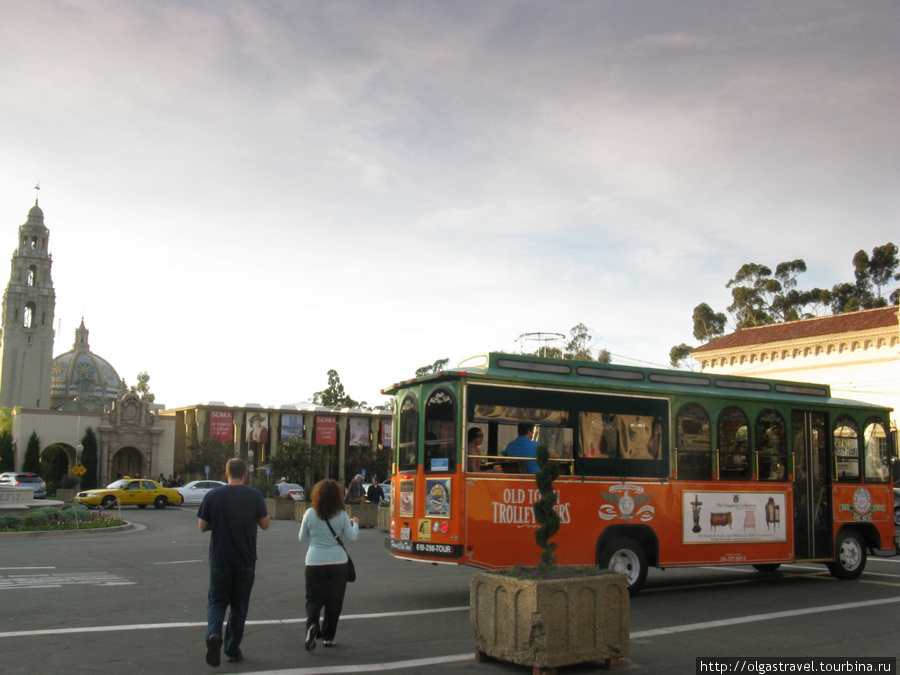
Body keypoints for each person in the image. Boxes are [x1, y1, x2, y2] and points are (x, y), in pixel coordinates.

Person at [198, 458, 270, 667]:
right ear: (245, 474)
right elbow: (265, 524)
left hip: (220, 559)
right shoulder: (254, 495)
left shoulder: (213, 495)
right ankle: (232, 649)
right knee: (239, 606)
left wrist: (218, 522)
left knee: (217, 602)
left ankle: (213, 635)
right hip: (245, 559)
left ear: (225, 473)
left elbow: (202, 526)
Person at [299, 479, 359, 651]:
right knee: (334, 602)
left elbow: (302, 538)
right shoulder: (341, 515)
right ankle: (328, 637)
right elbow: (352, 537)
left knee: (313, 599)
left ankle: (312, 626)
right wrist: (355, 525)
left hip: (314, 561)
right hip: (338, 563)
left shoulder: (310, 514)